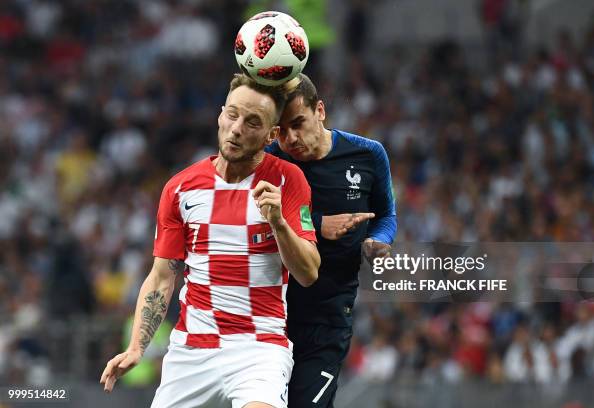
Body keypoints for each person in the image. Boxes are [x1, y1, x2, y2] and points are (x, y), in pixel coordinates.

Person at [100, 74, 320, 408]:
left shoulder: (288, 180)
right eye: (232, 115)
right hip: (192, 351)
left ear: (271, 135)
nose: (236, 129)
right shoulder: (180, 188)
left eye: (252, 122)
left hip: (259, 348)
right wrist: (136, 348)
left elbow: (308, 272)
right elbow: (161, 277)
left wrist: (278, 224)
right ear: (220, 114)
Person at [266, 73, 397, 407]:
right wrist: (318, 223)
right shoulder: (270, 160)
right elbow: (249, 217)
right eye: (280, 130)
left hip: (328, 317)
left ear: (320, 111)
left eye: (298, 123)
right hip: (270, 316)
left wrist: (377, 241)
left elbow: (385, 215)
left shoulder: (368, 154)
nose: (291, 138)